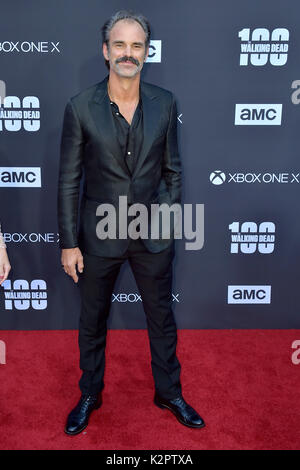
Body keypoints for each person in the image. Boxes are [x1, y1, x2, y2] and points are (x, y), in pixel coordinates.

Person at [58, 10, 205, 435]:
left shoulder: (166, 102)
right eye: (119, 45)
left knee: (161, 318)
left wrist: (164, 219)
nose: (128, 53)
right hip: (97, 235)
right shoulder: (80, 107)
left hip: (151, 234)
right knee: (92, 321)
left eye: (136, 45)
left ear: (147, 52)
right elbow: (69, 179)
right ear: (106, 51)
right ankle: (89, 393)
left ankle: (169, 391)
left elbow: (173, 170)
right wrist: (69, 243)